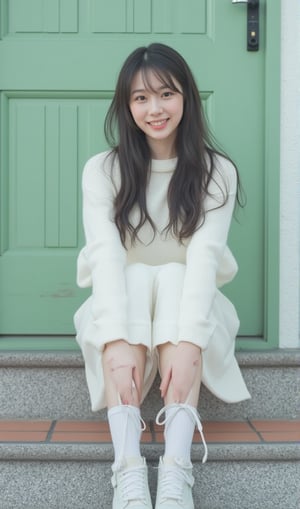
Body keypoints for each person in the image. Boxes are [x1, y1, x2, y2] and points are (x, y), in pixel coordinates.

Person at [74, 42, 251, 509]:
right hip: (123, 312)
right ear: (126, 106)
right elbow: (107, 259)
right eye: (140, 98)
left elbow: (204, 261)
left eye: (166, 94)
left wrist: (191, 346)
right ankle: (128, 469)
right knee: (132, 276)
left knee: (175, 274)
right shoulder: (104, 171)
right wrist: (113, 346)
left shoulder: (217, 173)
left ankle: (176, 470)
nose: (154, 109)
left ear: (186, 97)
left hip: (190, 312)